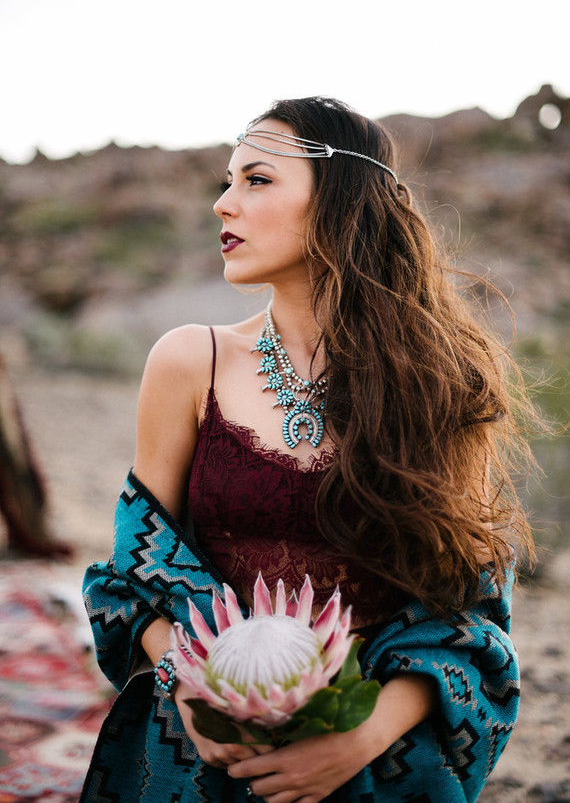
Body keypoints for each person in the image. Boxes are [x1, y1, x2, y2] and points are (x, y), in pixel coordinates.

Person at [81, 97, 535, 803]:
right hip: (199, 750)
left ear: (339, 201)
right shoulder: (187, 361)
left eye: (256, 179)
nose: (222, 204)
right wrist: (191, 686)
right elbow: (130, 574)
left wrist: (361, 737)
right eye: (226, 180)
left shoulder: (440, 381)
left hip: (376, 759)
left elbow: (472, 610)